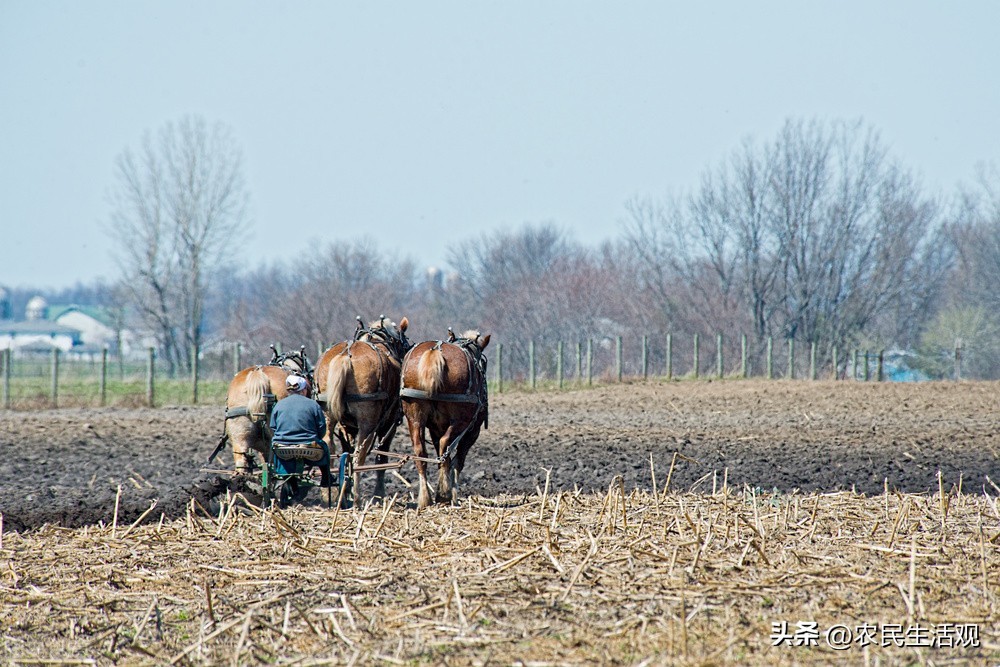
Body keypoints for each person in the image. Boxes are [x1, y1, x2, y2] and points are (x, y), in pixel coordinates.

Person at [269, 374, 332, 489]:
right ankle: (326, 477)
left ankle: (289, 479)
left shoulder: (278, 405)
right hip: (310, 448)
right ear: (303, 390)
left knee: (277, 449)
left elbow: (273, 427)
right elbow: (322, 428)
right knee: (325, 448)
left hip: (283, 449)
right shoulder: (313, 404)